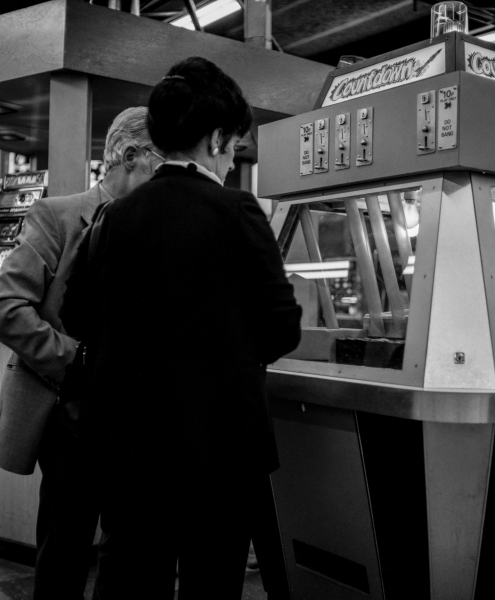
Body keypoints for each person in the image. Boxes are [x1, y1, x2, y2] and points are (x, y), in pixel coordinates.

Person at [62, 56, 302, 600]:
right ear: (216, 138)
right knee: (210, 584)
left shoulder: (113, 218)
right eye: (235, 149)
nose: (233, 162)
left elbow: (77, 318)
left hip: (126, 450)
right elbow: (281, 328)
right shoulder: (238, 212)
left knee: (129, 581)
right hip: (219, 450)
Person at [0, 106, 163, 600]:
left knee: (129, 551)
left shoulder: (159, 230)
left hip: (135, 419)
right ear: (130, 155)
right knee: (65, 547)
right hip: (69, 415)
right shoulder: (58, 215)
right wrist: (77, 360)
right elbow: (8, 306)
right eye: (162, 161)